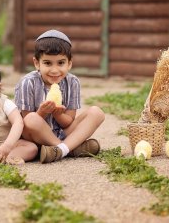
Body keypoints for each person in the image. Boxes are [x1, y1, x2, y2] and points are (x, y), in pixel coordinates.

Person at [14, 30, 105, 163]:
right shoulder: (27, 82)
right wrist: (42, 112)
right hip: (33, 136)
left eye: (61, 63)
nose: (55, 70)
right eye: (48, 63)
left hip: (62, 132)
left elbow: (69, 121)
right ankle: (70, 148)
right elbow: (25, 122)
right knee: (32, 118)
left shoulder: (73, 82)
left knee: (97, 113)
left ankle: (57, 150)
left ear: (69, 63)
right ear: (36, 63)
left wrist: (58, 114)